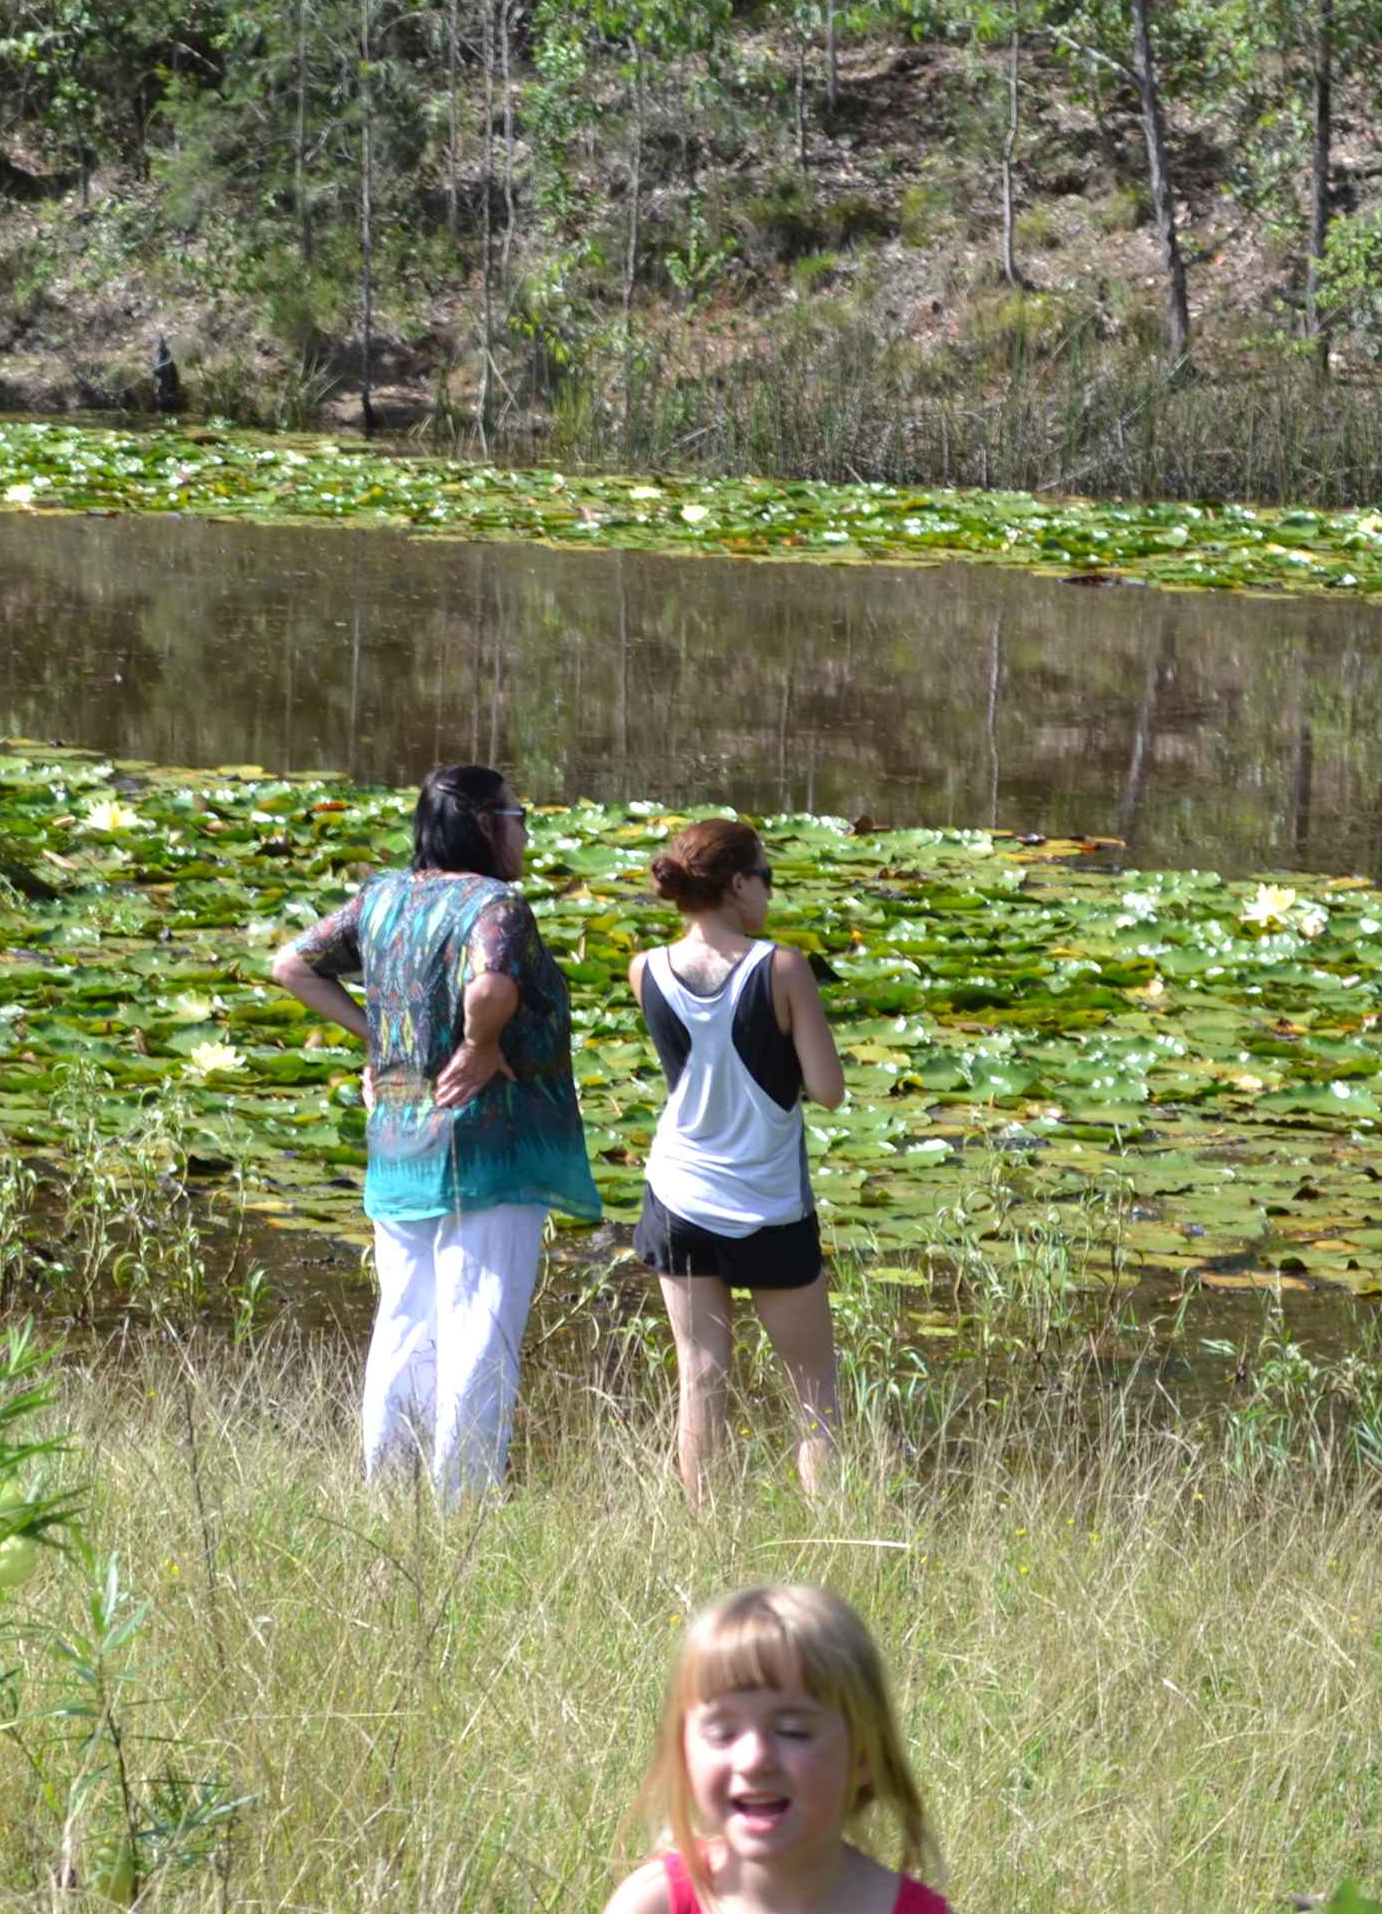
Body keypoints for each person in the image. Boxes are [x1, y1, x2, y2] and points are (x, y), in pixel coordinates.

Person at [265, 763, 600, 1496]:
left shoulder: (381, 899)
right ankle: (463, 1503)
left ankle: (389, 1490)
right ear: (485, 823)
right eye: (517, 816)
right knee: (479, 1324)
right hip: (488, 1150)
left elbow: (292, 964)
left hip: (399, 1145)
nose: (524, 830)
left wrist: (378, 1038)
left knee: (406, 1322)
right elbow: (491, 985)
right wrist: (480, 1047)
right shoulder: (495, 904)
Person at [631, 817, 847, 1498]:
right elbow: (828, 1090)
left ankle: (703, 1538)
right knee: (813, 1388)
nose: (769, 896)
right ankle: (834, 1540)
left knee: (699, 1377)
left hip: (677, 1197)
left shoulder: (647, 969)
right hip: (767, 1203)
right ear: (736, 884)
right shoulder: (781, 966)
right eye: (766, 880)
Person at [602, 1583, 949, 1914]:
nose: (753, 1760)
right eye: (723, 1733)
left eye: (792, 1731)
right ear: (684, 1756)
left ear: (862, 1755)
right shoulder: (653, 1904)